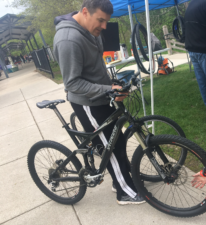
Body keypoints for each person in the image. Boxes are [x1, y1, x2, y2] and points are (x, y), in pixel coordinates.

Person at [53, 0, 145, 205]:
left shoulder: (89, 29)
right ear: (85, 12)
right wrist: (107, 90)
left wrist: (111, 85)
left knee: (116, 140)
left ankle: (119, 180)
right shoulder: (68, 39)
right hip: (87, 103)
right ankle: (124, 191)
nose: (104, 26)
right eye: (101, 20)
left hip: (101, 96)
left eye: (106, 21)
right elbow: (73, 83)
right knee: (108, 147)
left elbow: (94, 67)